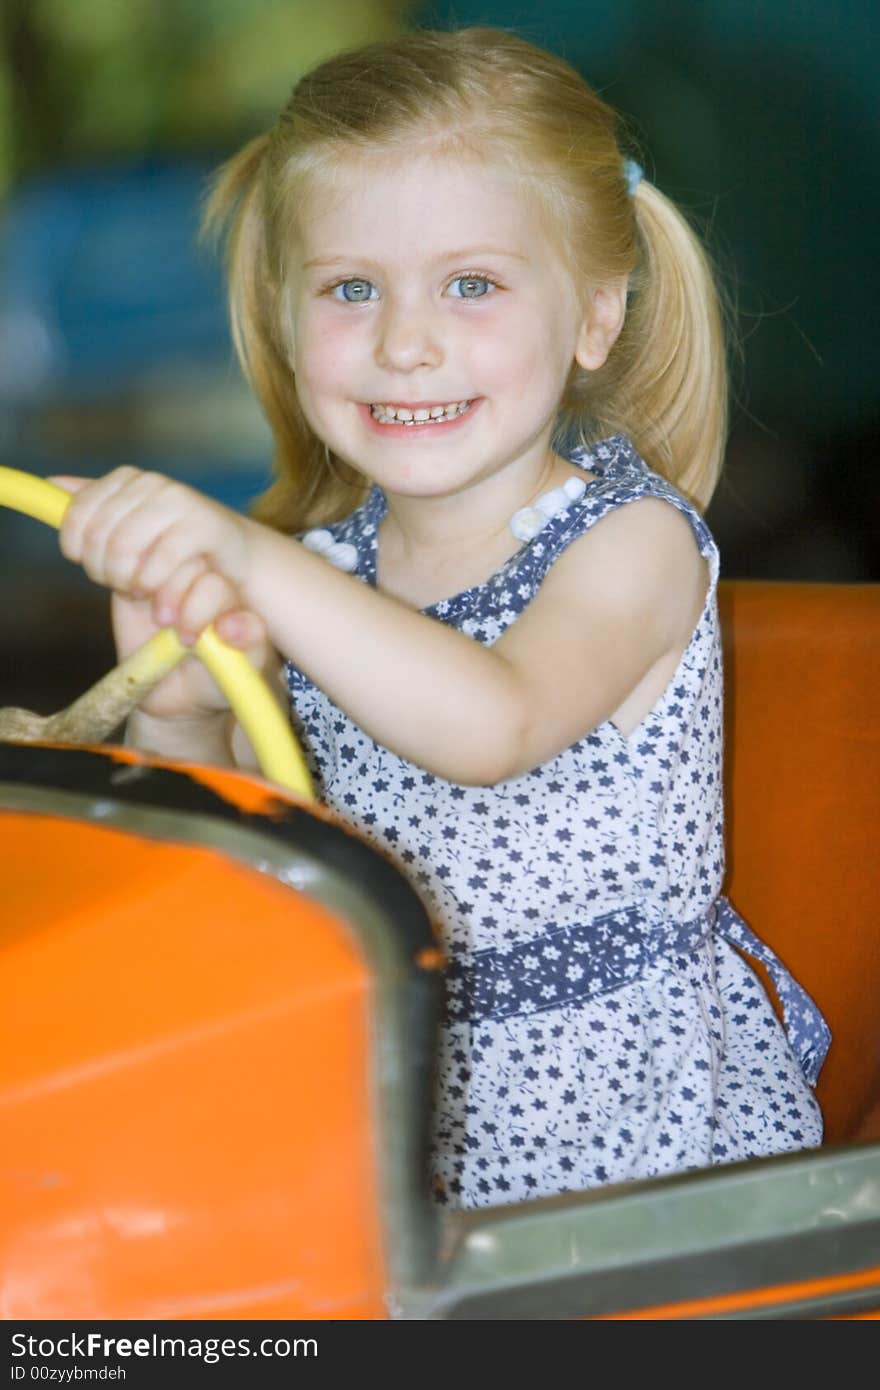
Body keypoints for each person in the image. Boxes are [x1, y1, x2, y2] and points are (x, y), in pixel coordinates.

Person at [55, 27, 830, 1210]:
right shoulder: (324, 570)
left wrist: (250, 565)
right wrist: (178, 712)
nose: (403, 342)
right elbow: (259, 867)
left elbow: (490, 723)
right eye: (350, 288)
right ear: (284, 315)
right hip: (386, 1109)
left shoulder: (633, 543)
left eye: (471, 283)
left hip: (628, 1149)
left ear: (594, 318)